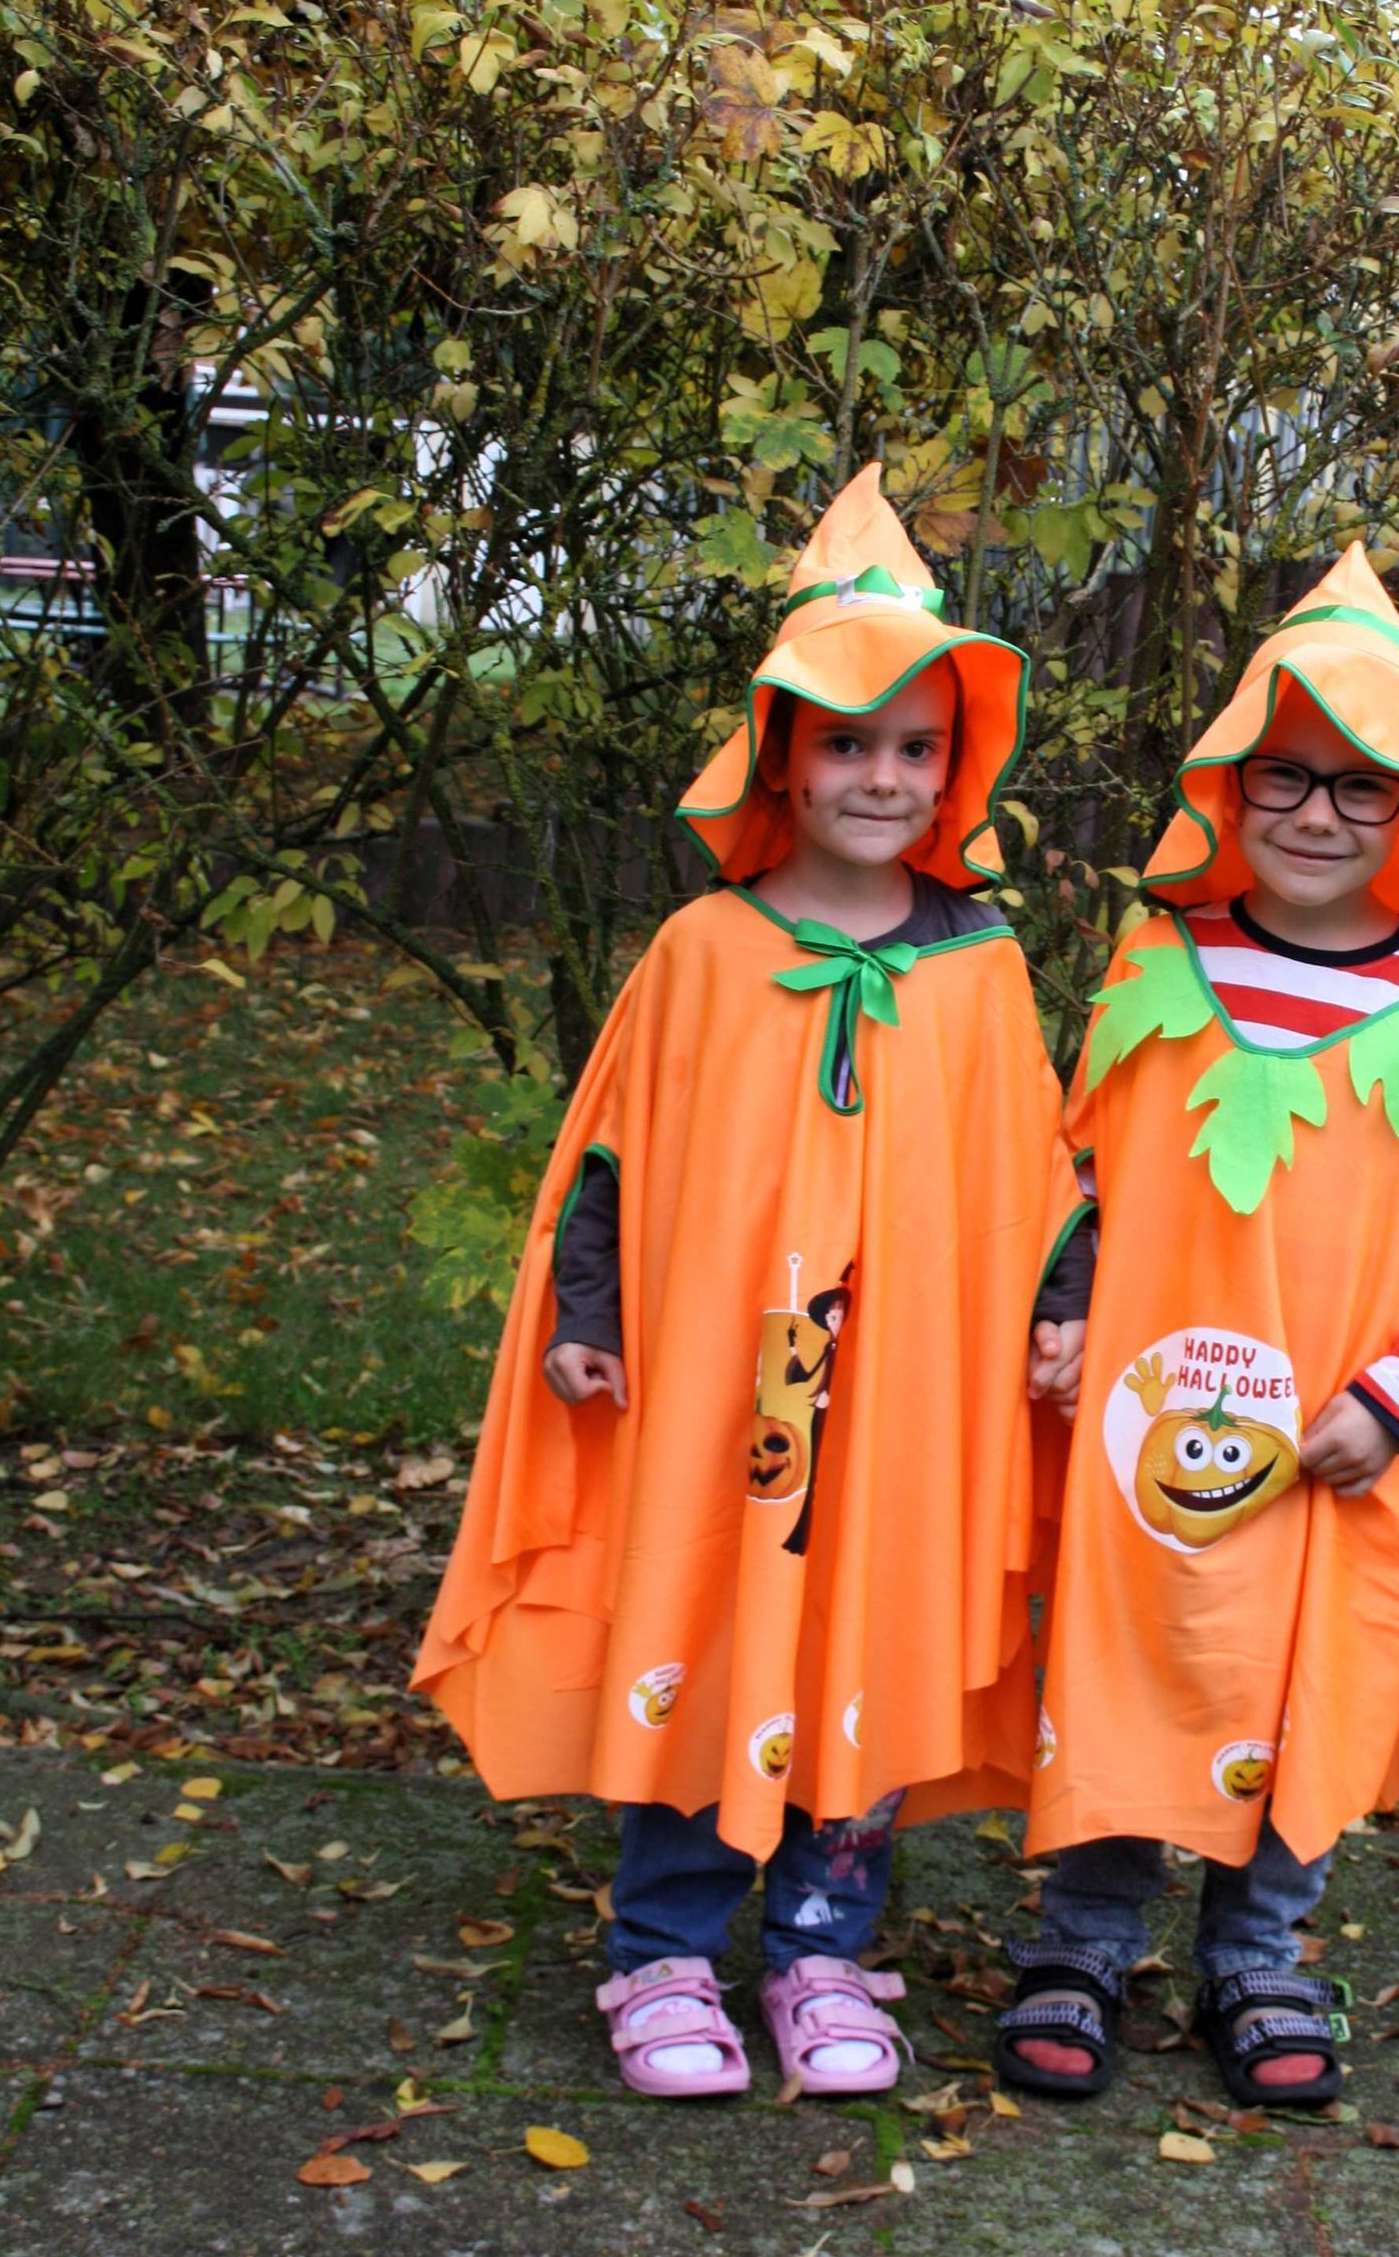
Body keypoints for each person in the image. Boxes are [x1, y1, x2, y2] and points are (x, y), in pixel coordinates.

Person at [416, 466, 1087, 2100]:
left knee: (865, 1626)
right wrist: (593, 1320)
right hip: (736, 1390)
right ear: (781, 755)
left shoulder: (983, 964)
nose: (880, 774)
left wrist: (1058, 1306)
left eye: (914, 747)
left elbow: (1036, 1172)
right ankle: (663, 1945)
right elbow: (613, 1162)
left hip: (904, 1398)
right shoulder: (706, 953)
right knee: (715, 1617)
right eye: (845, 742)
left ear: (954, 771)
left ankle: (824, 1949)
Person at [997, 542, 1399, 2111]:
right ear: (1233, 789)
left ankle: (1263, 1949)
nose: (1317, 813)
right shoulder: (1158, 967)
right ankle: (1083, 1936)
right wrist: (1071, 1303)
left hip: (1339, 1434)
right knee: (1134, 1646)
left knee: (1308, 1670)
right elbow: (1086, 1166)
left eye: (1362, 786)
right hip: (1152, 1410)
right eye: (1287, 775)